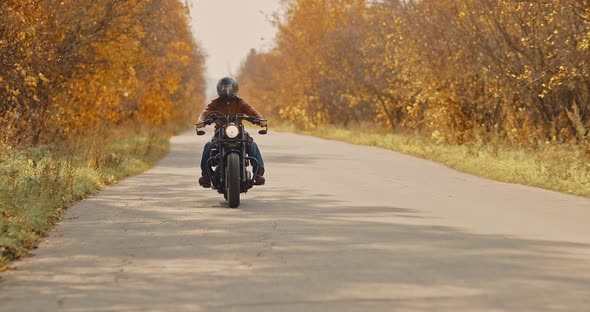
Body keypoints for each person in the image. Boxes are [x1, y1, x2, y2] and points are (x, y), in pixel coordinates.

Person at [195, 76, 267, 188]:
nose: (227, 91)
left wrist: (260, 119)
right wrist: (201, 121)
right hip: (220, 133)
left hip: (238, 132)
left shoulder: (240, 102)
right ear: (219, 89)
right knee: (209, 146)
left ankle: (258, 174)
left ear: (235, 89)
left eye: (229, 88)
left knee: (252, 145)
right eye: (224, 88)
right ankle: (206, 175)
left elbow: (251, 110)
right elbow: (206, 112)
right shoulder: (215, 103)